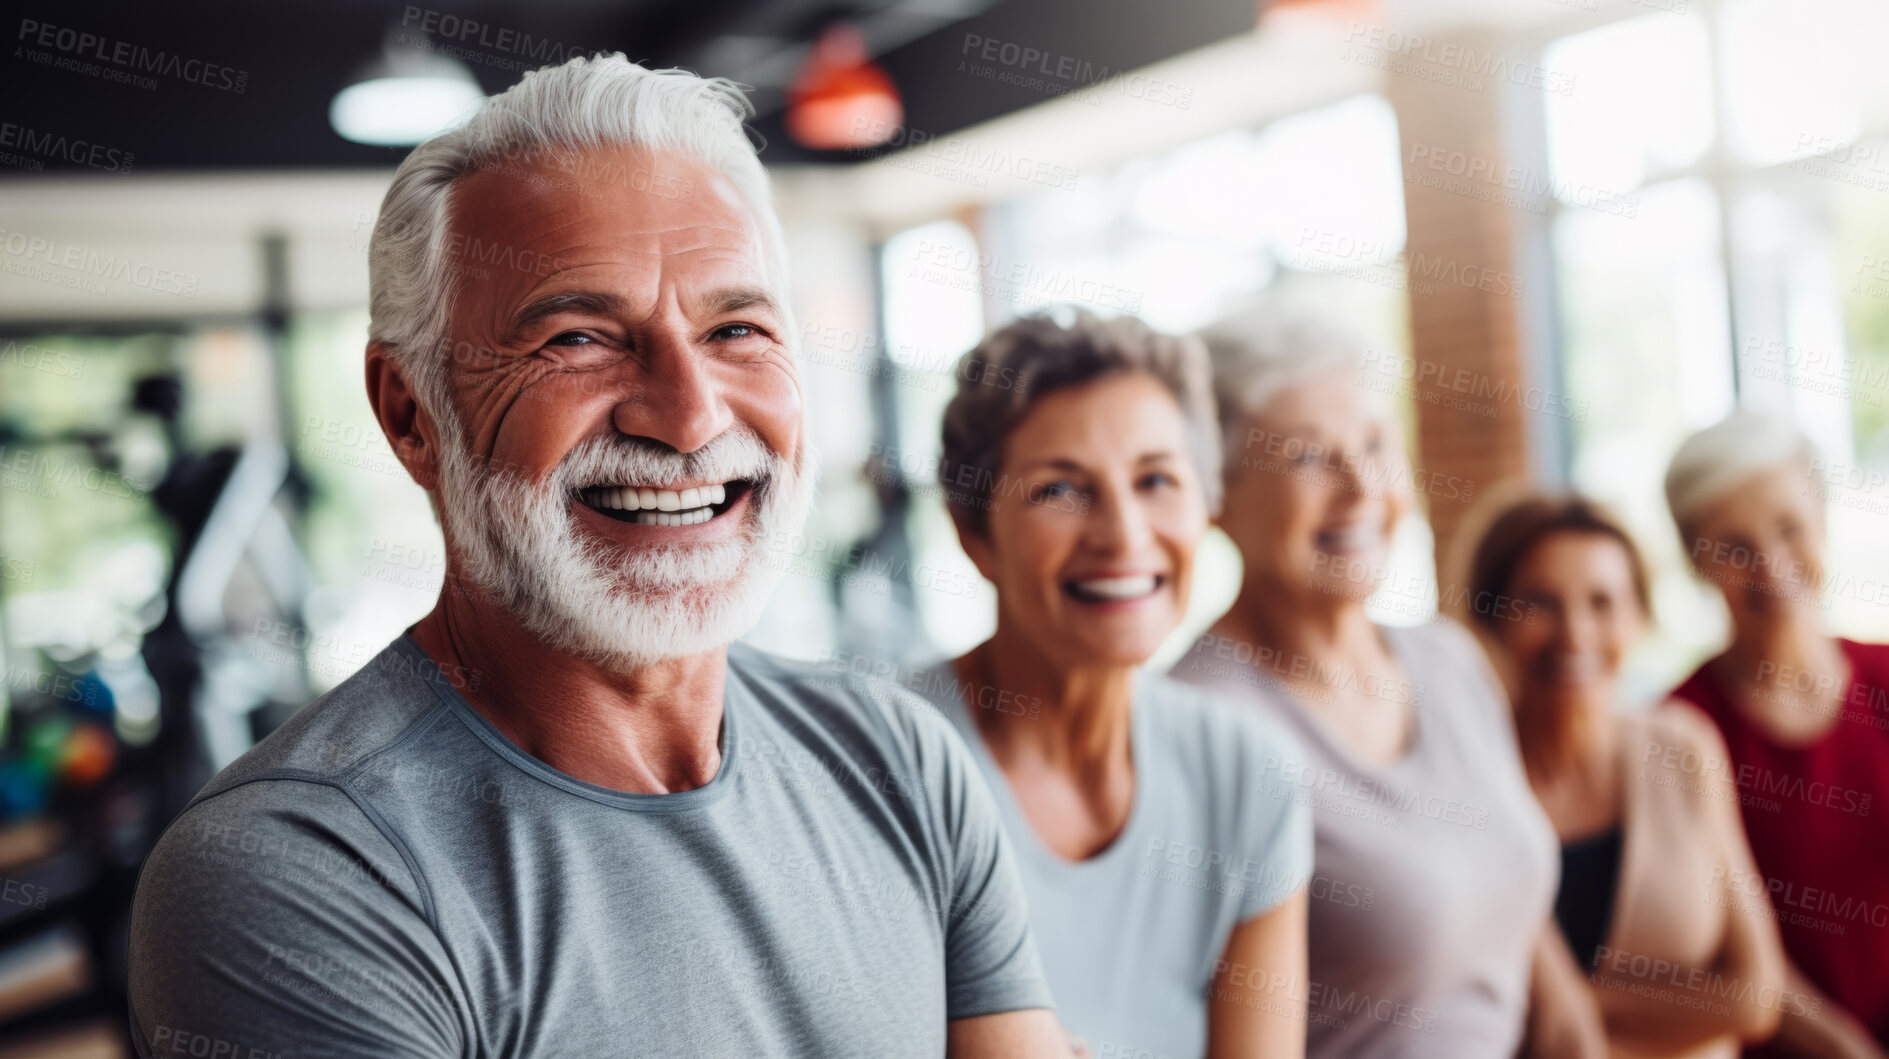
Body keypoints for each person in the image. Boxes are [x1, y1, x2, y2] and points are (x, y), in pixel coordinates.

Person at [126, 55, 1073, 1058]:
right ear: (411, 415)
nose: (690, 414)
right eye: (578, 338)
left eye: (735, 329)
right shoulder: (294, 873)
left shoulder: (899, 760)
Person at [1169, 306, 1597, 1057]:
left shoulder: (1450, 663)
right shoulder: (1197, 725)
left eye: (1373, 443)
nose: (1360, 484)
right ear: (1217, 495)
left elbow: (1533, 960)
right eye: (1307, 457)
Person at [905, 310, 1314, 1057]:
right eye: (1060, 490)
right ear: (973, 533)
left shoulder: (1246, 772)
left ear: (1205, 507)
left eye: (1156, 479)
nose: (1123, 534)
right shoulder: (887, 764)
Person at [1467, 493, 1786, 1057]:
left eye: (1602, 602)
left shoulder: (1683, 747)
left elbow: (1756, 997)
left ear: (1638, 617)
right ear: (1492, 619)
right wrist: (1679, 1006)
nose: (1575, 633)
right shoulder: (1468, 777)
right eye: (1540, 603)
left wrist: (1571, 999)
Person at [1663, 412, 1889, 1059]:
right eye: (1733, 545)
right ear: (1694, 559)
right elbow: (1718, 944)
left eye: (1788, 528)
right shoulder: (1680, 725)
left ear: (1821, 519)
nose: (1770, 564)